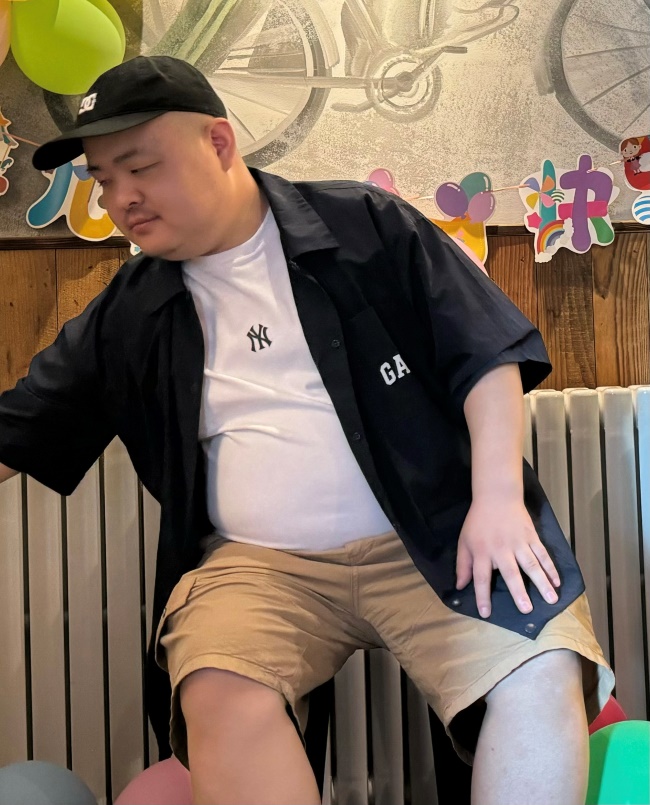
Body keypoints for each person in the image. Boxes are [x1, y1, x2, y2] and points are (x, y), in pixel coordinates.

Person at [0, 56, 613, 805]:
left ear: (218, 142)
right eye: (102, 179)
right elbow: (19, 427)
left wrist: (497, 501)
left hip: (436, 532)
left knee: (538, 668)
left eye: (140, 166)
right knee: (218, 681)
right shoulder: (131, 306)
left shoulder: (365, 226)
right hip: (259, 568)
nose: (120, 196)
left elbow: (485, 355)